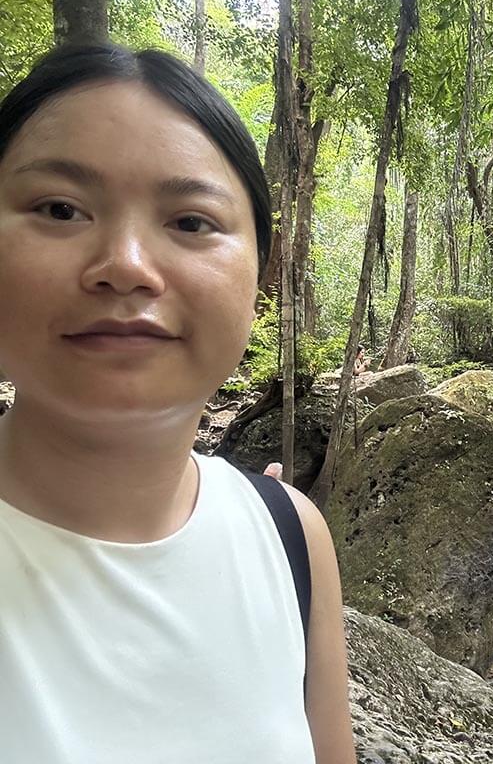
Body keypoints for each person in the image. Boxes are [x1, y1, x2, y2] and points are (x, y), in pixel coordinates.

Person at [0, 45, 355, 763]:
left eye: (191, 222)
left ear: (264, 275)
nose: (126, 265)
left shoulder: (290, 535)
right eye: (60, 209)